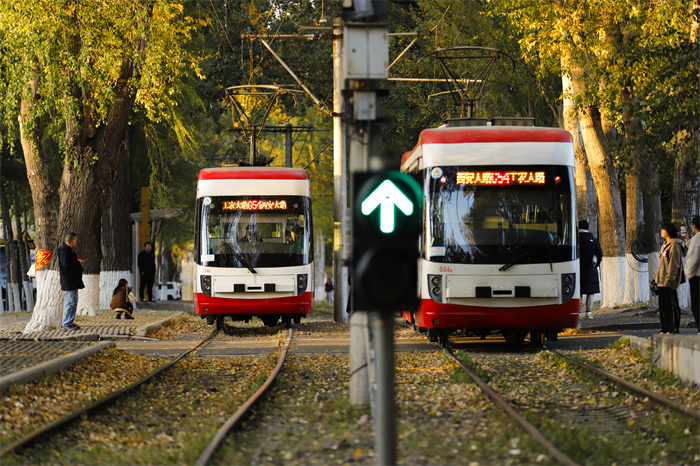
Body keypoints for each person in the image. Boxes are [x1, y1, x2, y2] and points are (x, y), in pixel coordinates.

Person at [651, 222, 683, 334]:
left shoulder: (674, 245)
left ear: (668, 231)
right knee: (663, 306)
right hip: (661, 280)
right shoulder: (665, 245)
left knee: (671, 305)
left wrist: (670, 279)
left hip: (668, 281)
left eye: (663, 229)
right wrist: (655, 278)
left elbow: (674, 264)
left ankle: (673, 328)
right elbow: (662, 265)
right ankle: (664, 328)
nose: (661, 231)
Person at [58, 232, 85, 330]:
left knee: (74, 302)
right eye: (75, 240)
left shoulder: (69, 249)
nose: (76, 242)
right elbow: (65, 265)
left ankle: (70, 321)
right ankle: (66, 323)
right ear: (73, 240)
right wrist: (78, 262)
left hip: (73, 280)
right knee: (69, 302)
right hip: (68, 279)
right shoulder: (63, 250)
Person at [578, 220, 603, 319]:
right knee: (590, 292)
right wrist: (596, 264)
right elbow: (599, 253)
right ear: (588, 228)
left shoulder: (575, 239)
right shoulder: (593, 239)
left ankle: (578, 312)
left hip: (578, 269)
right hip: (590, 269)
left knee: (578, 292)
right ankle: (588, 312)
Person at [683, 215, 700, 332]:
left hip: (697, 277)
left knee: (697, 305)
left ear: (694, 226)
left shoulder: (697, 239)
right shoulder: (694, 240)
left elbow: (694, 258)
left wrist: (688, 273)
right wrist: (688, 241)